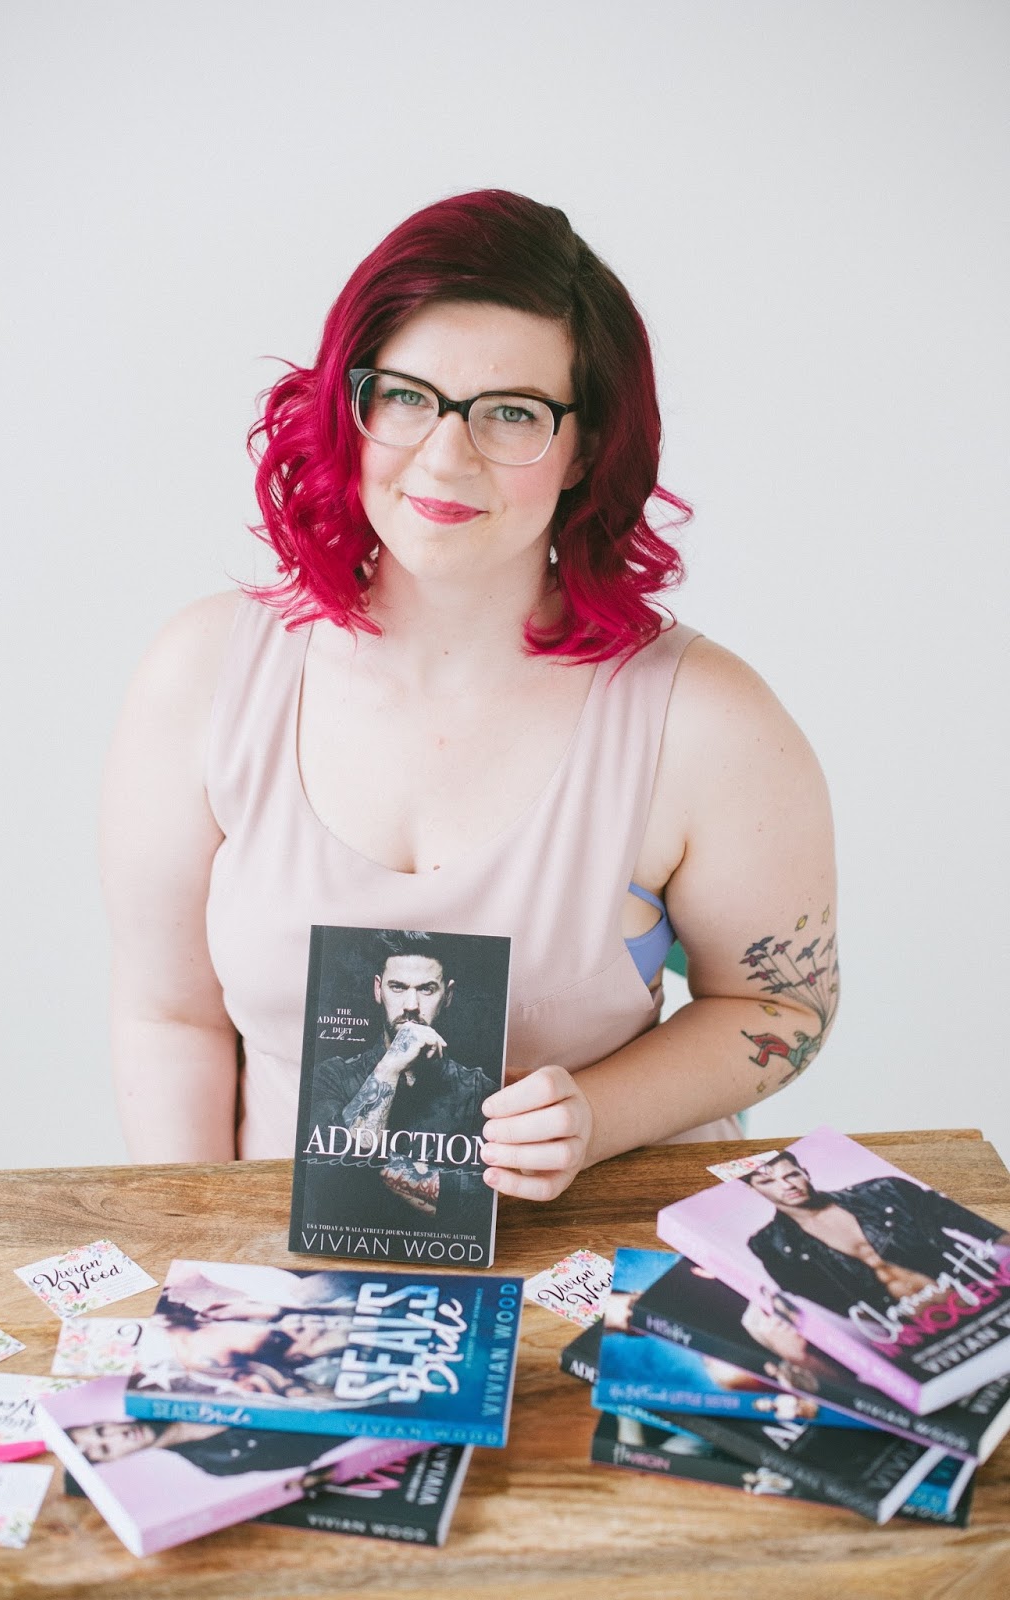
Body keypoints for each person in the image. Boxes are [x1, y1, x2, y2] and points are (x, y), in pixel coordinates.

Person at [101, 189, 838, 1190]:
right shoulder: (202, 674)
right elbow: (168, 1017)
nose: (445, 457)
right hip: (280, 1259)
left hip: (610, 1251)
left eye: (512, 413)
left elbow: (785, 1009)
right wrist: (200, 1248)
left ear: (586, 448)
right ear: (350, 404)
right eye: (406, 395)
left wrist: (598, 1114)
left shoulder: (707, 720)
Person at [306, 931, 497, 1222]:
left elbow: (485, 1199)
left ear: (448, 995)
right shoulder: (332, 1076)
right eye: (397, 987)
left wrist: (364, 1165)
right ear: (378, 990)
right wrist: (390, 1067)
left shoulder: (478, 1090)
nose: (411, 1005)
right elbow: (321, 1179)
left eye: (427, 989)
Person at [743, 1153, 1010, 1317]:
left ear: (806, 1173)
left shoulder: (884, 1191)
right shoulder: (770, 1245)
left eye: (792, 1175)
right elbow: (821, 1297)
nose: (786, 1186)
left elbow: (968, 1220)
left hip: (976, 1287)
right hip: (912, 1325)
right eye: (768, 1181)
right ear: (754, 1190)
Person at [67, 1417, 333, 1482]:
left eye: (101, 1430)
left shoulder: (173, 1386)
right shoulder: (216, 1463)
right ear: (114, 1459)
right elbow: (306, 1455)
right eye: (106, 1448)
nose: (118, 1435)